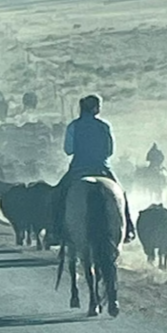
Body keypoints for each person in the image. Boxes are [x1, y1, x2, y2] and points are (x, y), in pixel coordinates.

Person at [52, 94, 136, 242]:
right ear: (95, 109)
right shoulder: (104, 126)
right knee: (121, 194)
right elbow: (109, 151)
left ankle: (55, 230)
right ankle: (128, 228)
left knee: (58, 194)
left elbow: (68, 150)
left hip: (78, 167)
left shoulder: (73, 126)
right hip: (101, 168)